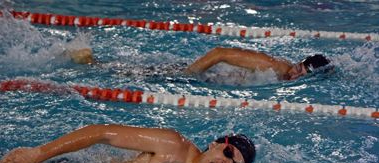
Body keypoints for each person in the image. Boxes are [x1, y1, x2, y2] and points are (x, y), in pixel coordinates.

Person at [0, 124, 256, 163]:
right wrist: (37, 154)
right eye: (228, 153)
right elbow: (100, 133)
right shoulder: (173, 143)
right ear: (214, 145)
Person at [69, 47, 330, 81]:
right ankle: (90, 63)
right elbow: (219, 53)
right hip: (203, 72)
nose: (295, 74)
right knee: (132, 76)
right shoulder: (273, 66)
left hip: (207, 79)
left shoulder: (289, 81)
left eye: (302, 74)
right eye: (298, 67)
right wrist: (189, 74)